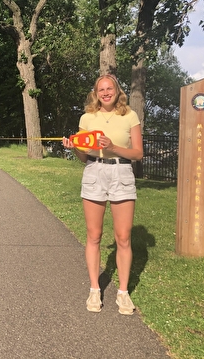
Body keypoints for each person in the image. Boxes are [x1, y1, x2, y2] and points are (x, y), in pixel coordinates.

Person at [62, 74, 143, 315]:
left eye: (110, 88)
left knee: (123, 237)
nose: (105, 93)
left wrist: (112, 147)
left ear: (118, 91)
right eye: (101, 90)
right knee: (94, 235)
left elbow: (138, 153)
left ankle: (123, 293)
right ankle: (95, 289)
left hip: (121, 172)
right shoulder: (87, 117)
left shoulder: (129, 115)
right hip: (94, 172)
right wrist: (75, 147)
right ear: (95, 94)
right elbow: (83, 156)